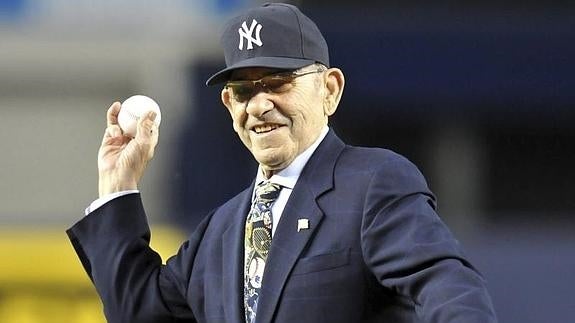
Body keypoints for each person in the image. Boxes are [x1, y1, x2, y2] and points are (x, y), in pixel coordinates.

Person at [67, 3, 497, 323]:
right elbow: (138, 311)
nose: (259, 105)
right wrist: (117, 187)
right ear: (227, 104)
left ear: (329, 89)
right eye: (243, 91)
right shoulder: (220, 229)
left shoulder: (373, 184)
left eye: (278, 82)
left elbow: (445, 286)